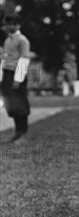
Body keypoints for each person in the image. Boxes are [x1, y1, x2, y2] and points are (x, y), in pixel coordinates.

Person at [0, 14, 31, 143]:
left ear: (18, 25)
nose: (9, 26)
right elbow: (6, 58)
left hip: (16, 74)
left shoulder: (22, 40)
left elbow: (24, 59)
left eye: (12, 23)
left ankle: (23, 133)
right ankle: (17, 132)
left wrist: (18, 79)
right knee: (11, 105)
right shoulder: (7, 40)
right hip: (6, 74)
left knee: (20, 104)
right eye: (7, 24)